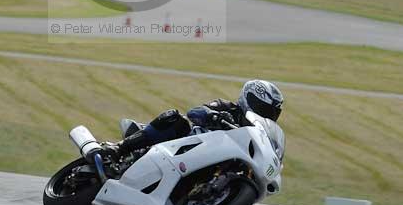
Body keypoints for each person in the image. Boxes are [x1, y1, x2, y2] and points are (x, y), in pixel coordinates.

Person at [108, 80, 284, 159]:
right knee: (176, 119)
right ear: (249, 98)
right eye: (263, 108)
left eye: (271, 112)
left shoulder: (258, 132)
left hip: (212, 158)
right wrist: (213, 115)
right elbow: (195, 111)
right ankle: (120, 148)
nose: (266, 114)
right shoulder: (228, 107)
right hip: (186, 144)